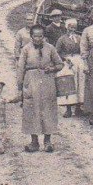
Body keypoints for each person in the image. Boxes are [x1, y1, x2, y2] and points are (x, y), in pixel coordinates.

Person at [16, 24, 64, 152]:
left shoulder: (50, 48)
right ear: (31, 36)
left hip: (48, 81)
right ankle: (34, 142)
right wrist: (20, 87)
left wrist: (52, 68)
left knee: (48, 110)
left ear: (44, 36)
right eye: (35, 36)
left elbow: (60, 64)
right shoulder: (26, 49)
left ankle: (47, 141)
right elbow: (20, 68)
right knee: (32, 109)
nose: (38, 39)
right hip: (31, 81)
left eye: (40, 36)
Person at [55, 17, 87, 117]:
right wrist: (65, 58)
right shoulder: (62, 39)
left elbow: (83, 49)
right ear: (67, 27)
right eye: (70, 27)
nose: (72, 29)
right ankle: (68, 109)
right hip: (67, 62)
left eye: (74, 27)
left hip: (78, 61)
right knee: (68, 84)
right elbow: (56, 52)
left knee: (80, 83)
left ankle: (78, 107)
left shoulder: (79, 38)